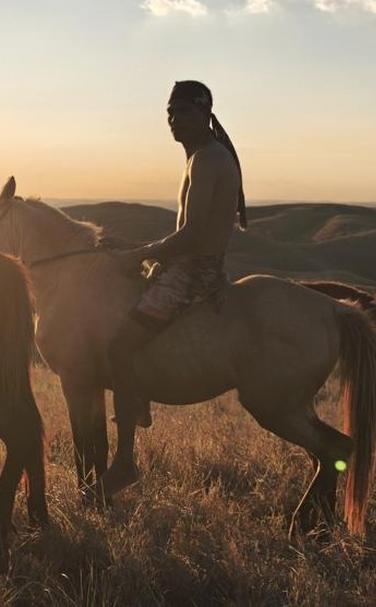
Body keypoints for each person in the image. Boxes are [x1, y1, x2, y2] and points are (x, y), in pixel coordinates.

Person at [96, 80, 246, 499]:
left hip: (192, 274)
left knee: (119, 348)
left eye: (181, 112)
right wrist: (146, 252)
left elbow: (194, 233)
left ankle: (125, 463)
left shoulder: (206, 160)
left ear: (204, 113)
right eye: (169, 113)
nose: (173, 120)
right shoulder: (207, 156)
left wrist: (138, 253)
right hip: (191, 265)